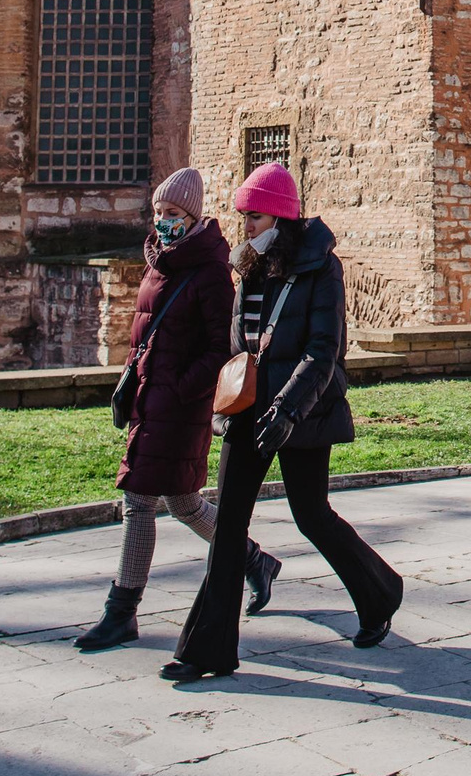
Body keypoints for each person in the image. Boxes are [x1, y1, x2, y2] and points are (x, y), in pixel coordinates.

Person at [165, 162, 402, 683]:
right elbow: (240, 341)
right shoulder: (248, 266)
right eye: (243, 216)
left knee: (311, 514)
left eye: (254, 216)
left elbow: (323, 350)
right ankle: (205, 650)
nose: (245, 225)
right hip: (249, 410)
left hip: (303, 411)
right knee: (229, 525)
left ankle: (380, 593)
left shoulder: (322, 267)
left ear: (279, 216)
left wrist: (289, 409)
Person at [74, 168, 282, 652]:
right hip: (150, 402)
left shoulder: (209, 272)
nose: (162, 220)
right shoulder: (158, 263)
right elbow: (143, 333)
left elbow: (221, 348)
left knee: (138, 501)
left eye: (172, 213)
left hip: (180, 407)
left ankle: (121, 612)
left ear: (192, 216)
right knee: (183, 502)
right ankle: (254, 561)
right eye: (158, 212)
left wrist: (179, 388)